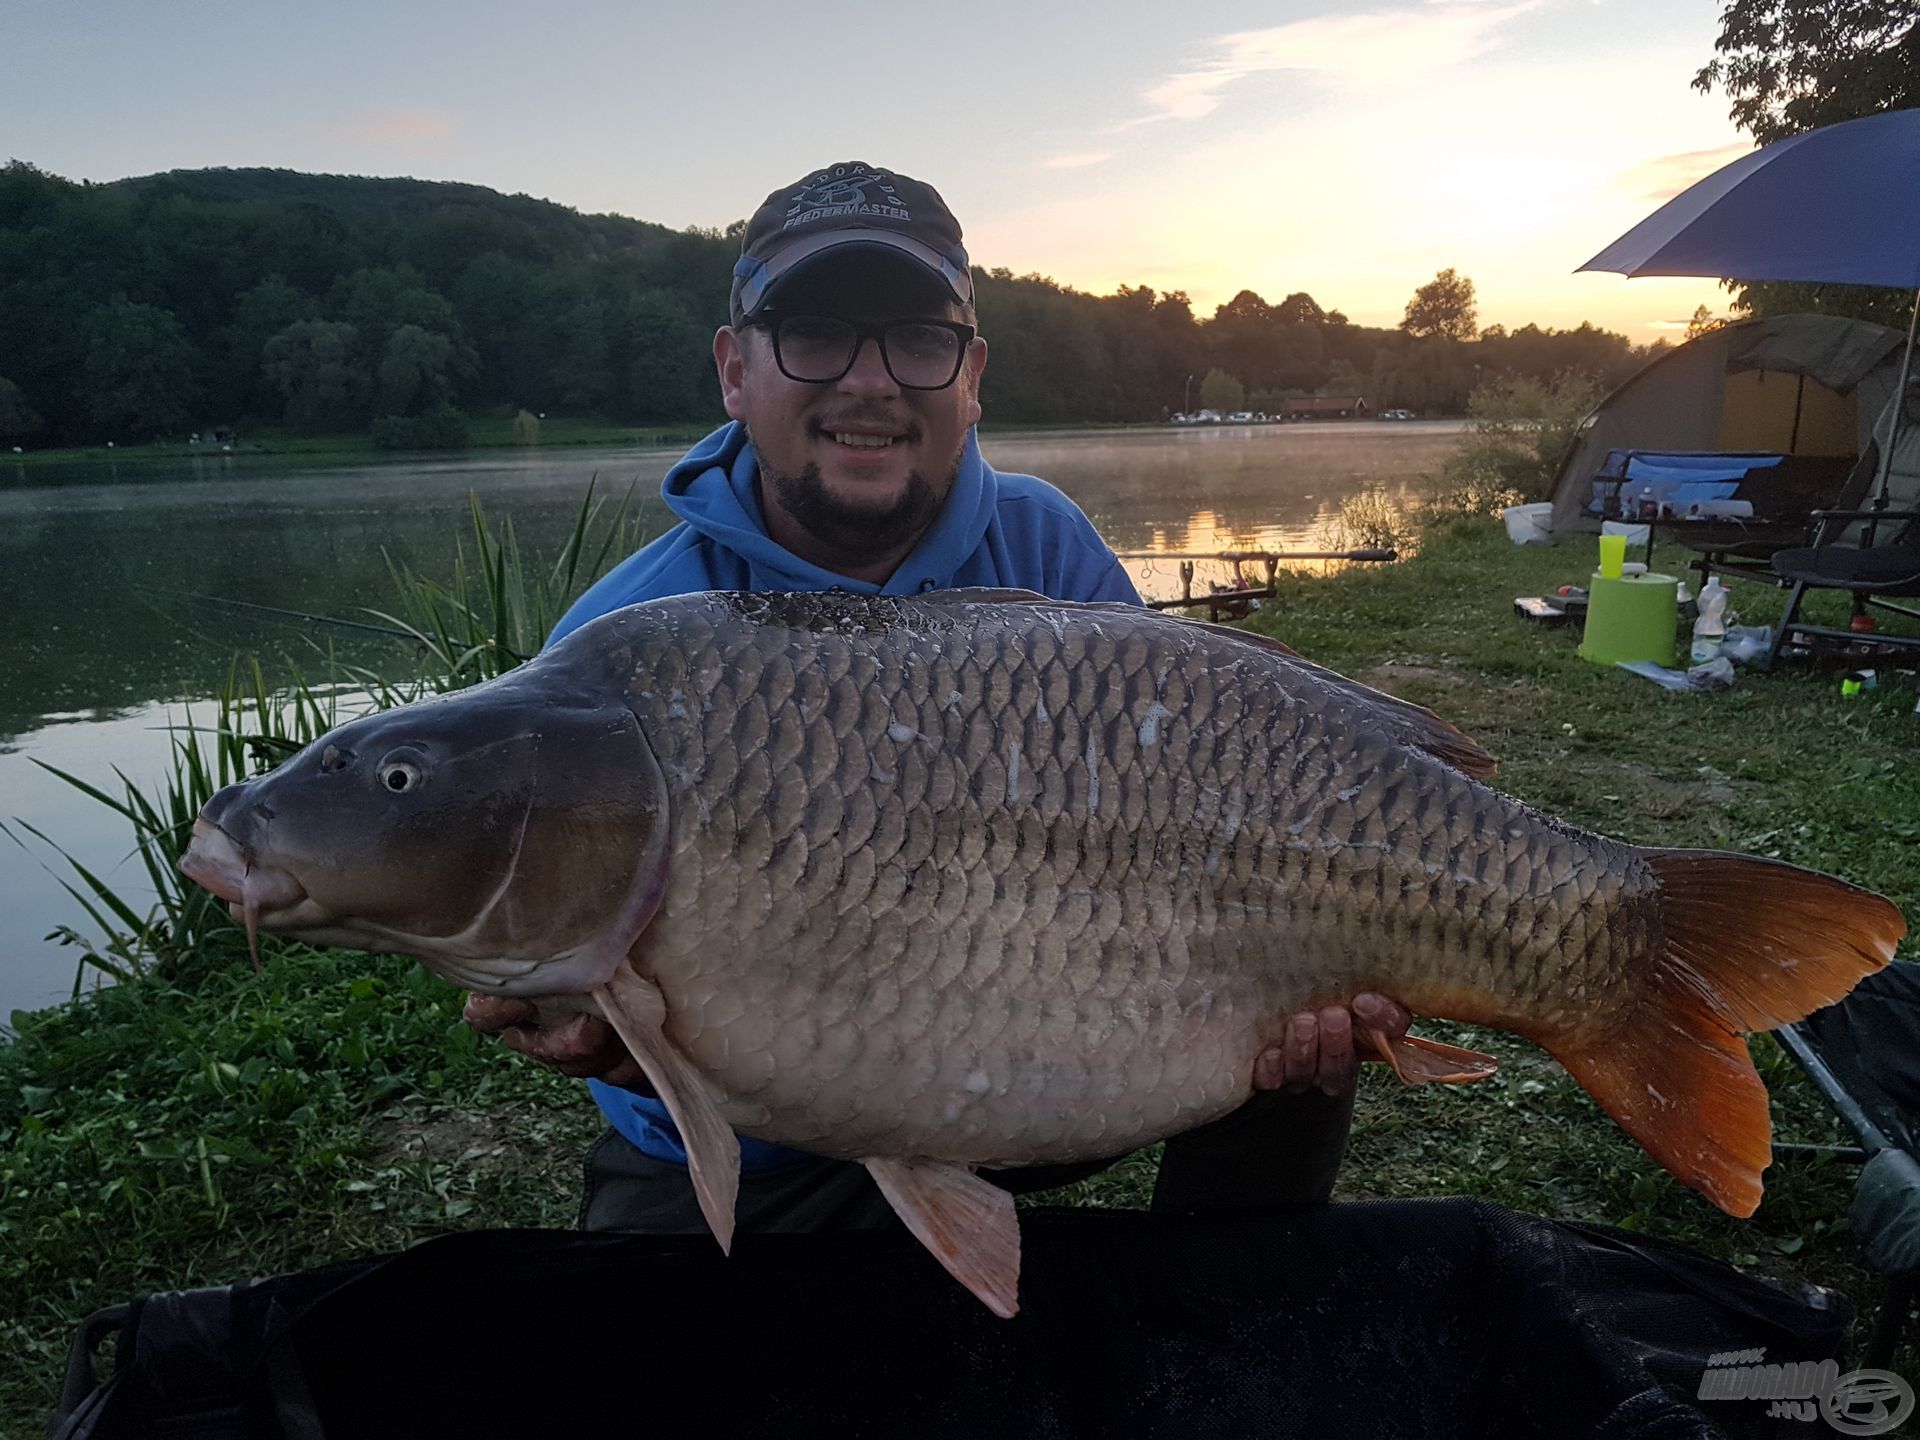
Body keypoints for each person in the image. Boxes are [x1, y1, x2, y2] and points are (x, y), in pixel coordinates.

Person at [464, 161, 1411, 1235]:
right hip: (756, 1144)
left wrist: (1287, 956)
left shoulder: (1045, 544)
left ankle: (1222, 1321)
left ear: (972, 377)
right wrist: (620, 1045)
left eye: (919, 339)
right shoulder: (617, 653)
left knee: (1301, 1027)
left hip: (1044, 1064)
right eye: (814, 332)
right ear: (736, 370)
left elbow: (1180, 798)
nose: (870, 381)